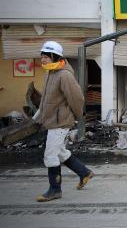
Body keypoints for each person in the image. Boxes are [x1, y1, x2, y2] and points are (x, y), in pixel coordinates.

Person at [33, 41, 94, 202]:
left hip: (60, 122)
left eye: (46, 57)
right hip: (51, 120)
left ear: (54, 56)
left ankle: (55, 190)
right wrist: (37, 117)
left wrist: (77, 116)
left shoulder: (64, 75)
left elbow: (77, 98)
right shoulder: (50, 73)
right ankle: (84, 172)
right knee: (60, 152)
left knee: (50, 155)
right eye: (42, 57)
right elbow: (45, 98)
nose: (43, 60)